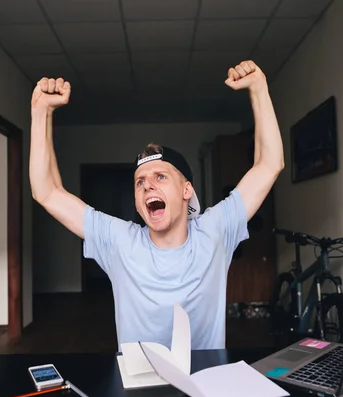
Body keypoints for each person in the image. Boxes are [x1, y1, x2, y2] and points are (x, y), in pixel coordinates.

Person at [29, 60, 284, 351]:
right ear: (138, 203)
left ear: (186, 190)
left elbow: (269, 165)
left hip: (204, 379)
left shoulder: (215, 231)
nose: (148, 185)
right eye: (140, 182)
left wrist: (258, 89)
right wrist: (41, 113)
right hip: (138, 386)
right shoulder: (119, 241)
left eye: (160, 177)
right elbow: (46, 191)